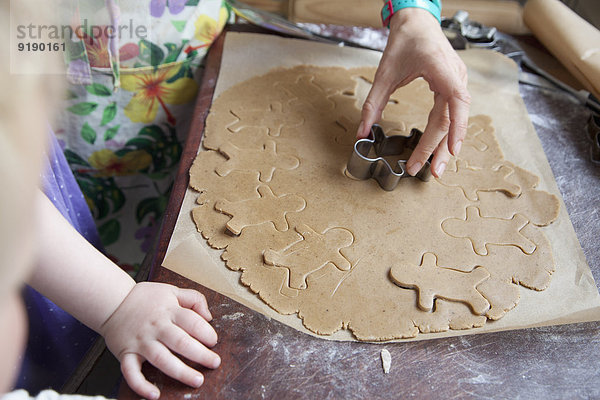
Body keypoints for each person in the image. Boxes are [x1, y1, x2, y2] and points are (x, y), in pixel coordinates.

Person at [2, 1, 469, 400]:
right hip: (38, 121)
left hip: (189, 83)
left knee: (165, 245)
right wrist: (113, 303)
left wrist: (414, 13)